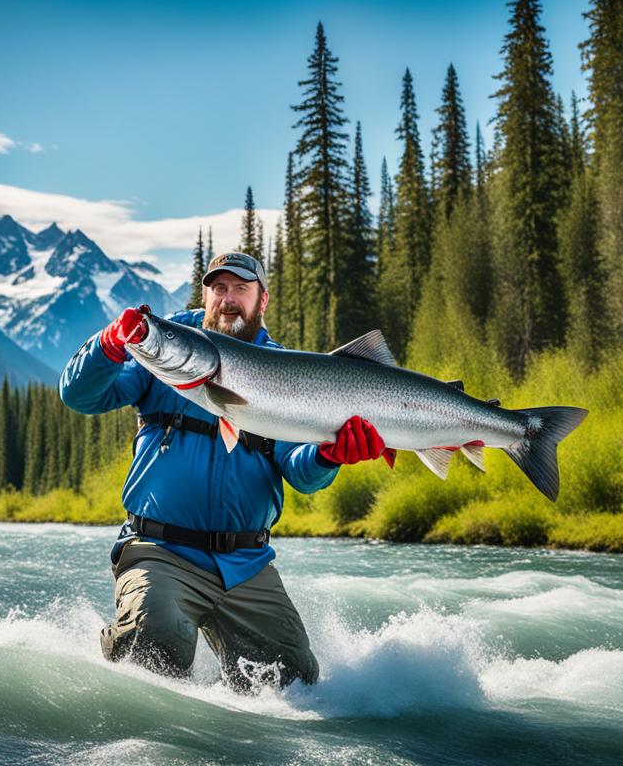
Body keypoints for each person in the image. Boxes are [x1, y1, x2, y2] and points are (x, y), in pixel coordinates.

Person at [59, 250, 386, 690]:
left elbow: (301, 473)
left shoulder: (287, 369)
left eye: (240, 289)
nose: (227, 299)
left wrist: (331, 456)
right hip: (159, 550)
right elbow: (81, 396)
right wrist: (109, 345)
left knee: (296, 686)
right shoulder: (166, 349)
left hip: (246, 563)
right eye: (218, 288)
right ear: (206, 294)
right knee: (153, 646)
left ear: (262, 300)